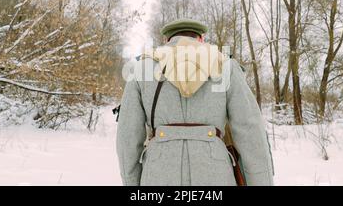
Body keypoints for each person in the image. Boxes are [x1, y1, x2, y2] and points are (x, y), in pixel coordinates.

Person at [116, 19, 274, 186]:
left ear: (167, 40)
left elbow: (128, 137)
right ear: (201, 39)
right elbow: (250, 132)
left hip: (159, 175)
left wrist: (132, 183)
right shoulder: (225, 66)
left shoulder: (142, 69)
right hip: (216, 176)